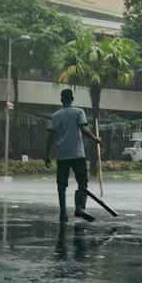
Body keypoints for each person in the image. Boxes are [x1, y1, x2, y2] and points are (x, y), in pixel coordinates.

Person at [44, 88, 101, 222]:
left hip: (62, 155)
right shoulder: (78, 112)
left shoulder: (56, 115)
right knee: (82, 183)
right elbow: (83, 128)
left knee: (61, 185)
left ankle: (63, 213)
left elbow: (50, 137)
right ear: (72, 99)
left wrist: (46, 155)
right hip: (77, 154)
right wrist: (95, 138)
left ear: (61, 100)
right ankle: (79, 207)